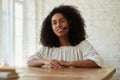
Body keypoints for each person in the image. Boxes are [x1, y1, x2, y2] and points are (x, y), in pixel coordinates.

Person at [27, 5, 106, 68]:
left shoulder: (82, 44)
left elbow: (97, 61)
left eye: (62, 21)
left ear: (70, 23)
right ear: (51, 27)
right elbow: (30, 61)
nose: (58, 25)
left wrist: (69, 63)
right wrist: (45, 61)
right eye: (54, 23)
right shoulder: (47, 47)